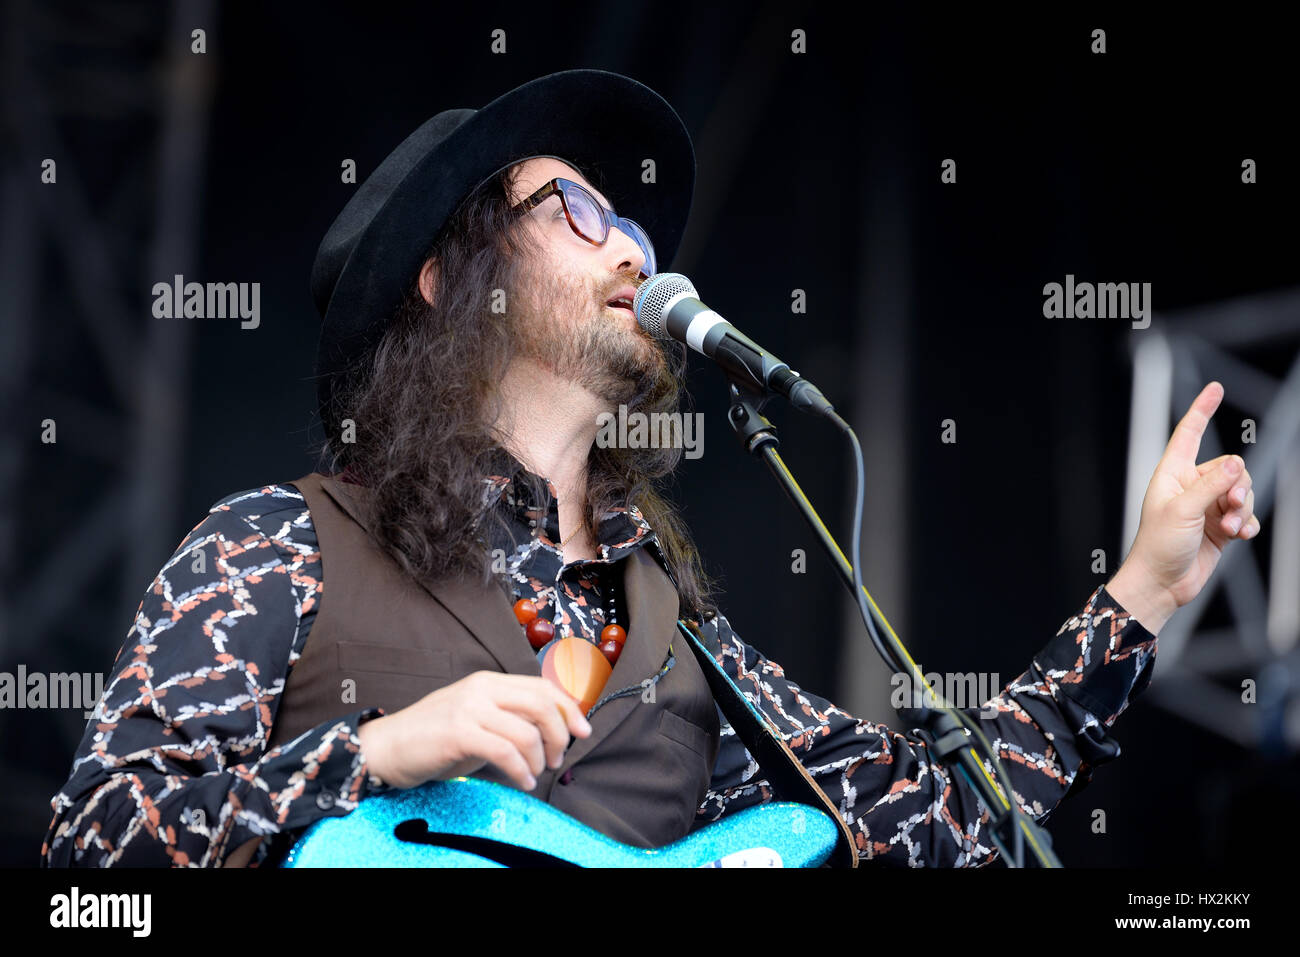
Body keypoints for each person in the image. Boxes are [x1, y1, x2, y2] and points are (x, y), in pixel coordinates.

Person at [42, 70, 1259, 868]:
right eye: (575, 210)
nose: (631, 249)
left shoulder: (682, 644)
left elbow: (944, 824)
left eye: (635, 228)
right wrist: (373, 755)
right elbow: (89, 858)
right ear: (450, 278)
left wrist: (1142, 593)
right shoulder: (278, 544)